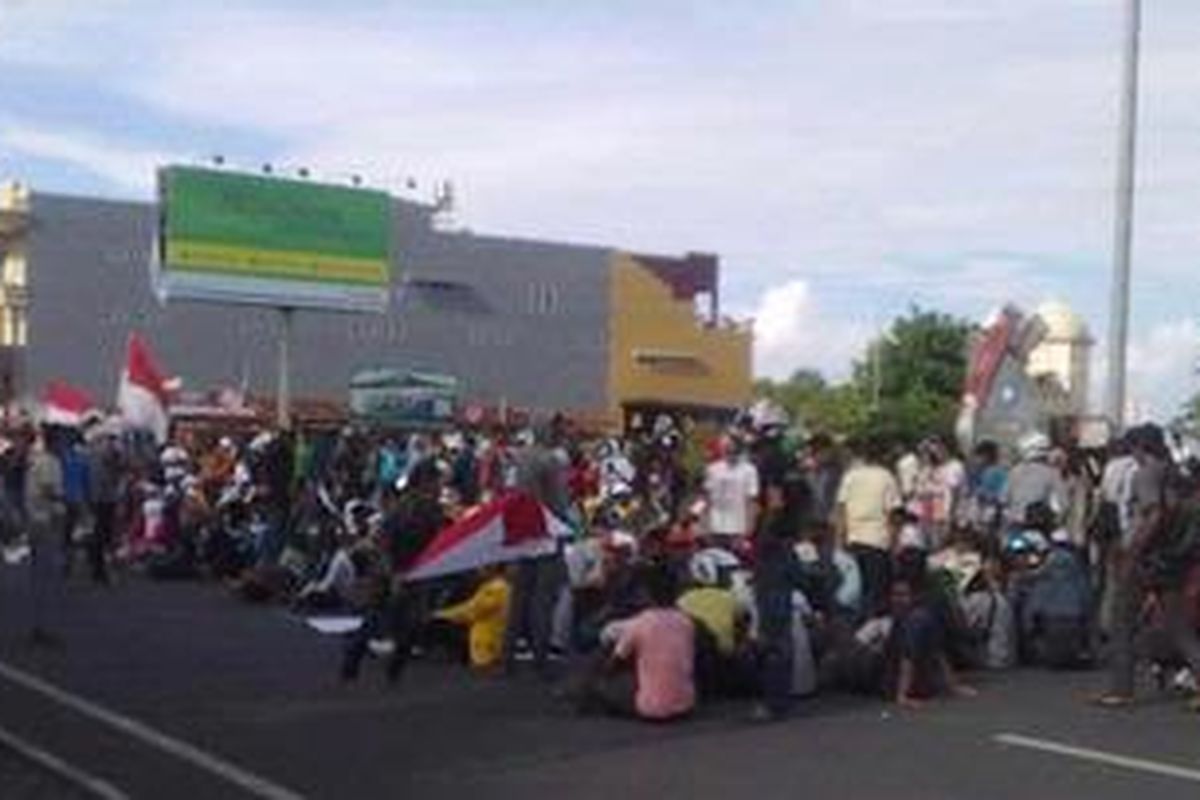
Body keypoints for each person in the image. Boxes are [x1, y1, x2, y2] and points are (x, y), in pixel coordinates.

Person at [1096, 424, 1200, 710]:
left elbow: (1152, 515)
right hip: (1173, 559)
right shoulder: (1177, 475)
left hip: (1146, 559)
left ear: (1139, 447)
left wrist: (1133, 551)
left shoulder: (1146, 474)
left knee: (1122, 622)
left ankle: (1121, 690)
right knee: (1180, 627)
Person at [579, 564, 696, 722]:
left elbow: (614, 663)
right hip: (686, 705)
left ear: (647, 595)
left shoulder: (641, 623)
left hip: (650, 709)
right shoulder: (686, 622)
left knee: (602, 684)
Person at [835, 435, 901, 619]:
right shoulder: (887, 477)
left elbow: (841, 511)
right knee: (876, 595)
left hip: (853, 541)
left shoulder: (850, 475)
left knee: (854, 592)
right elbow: (893, 515)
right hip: (878, 543)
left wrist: (839, 543)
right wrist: (895, 547)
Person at [26, 425, 65, 646]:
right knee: (47, 577)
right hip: (47, 521)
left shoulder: (37, 461)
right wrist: (64, 502)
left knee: (38, 577)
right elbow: (49, 490)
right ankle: (44, 627)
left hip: (35, 519)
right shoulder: (50, 463)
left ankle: (39, 624)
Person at [433, 564, 512, 670]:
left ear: (492, 568)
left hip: (488, 645)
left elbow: (473, 610)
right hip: (488, 642)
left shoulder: (495, 588)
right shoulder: (491, 586)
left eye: (481, 566)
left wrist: (442, 615)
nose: (477, 569)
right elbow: (470, 607)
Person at [702, 435, 759, 544]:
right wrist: (703, 522)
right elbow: (706, 498)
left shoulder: (749, 470)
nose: (731, 451)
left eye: (734, 448)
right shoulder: (713, 469)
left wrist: (750, 524)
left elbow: (751, 499)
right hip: (715, 524)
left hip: (738, 525)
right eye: (728, 448)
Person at [85, 427, 123, 584]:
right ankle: (101, 570)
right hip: (106, 497)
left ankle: (96, 567)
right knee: (104, 533)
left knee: (98, 532)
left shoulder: (90, 452)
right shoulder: (107, 452)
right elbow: (117, 466)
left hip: (95, 496)